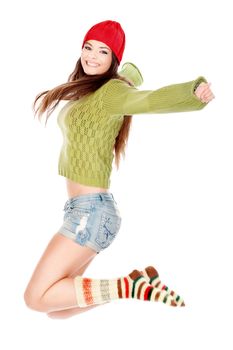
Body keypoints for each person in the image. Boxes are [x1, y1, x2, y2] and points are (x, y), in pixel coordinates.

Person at [24, 20, 215, 319]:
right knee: (57, 312)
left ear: (113, 60)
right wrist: (129, 74)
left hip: (91, 213)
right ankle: (131, 286)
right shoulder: (94, 89)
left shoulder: (111, 92)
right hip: (84, 211)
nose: (92, 56)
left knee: (35, 299)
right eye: (88, 47)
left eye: (103, 52)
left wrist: (190, 94)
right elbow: (128, 79)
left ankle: (129, 287)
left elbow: (147, 101)